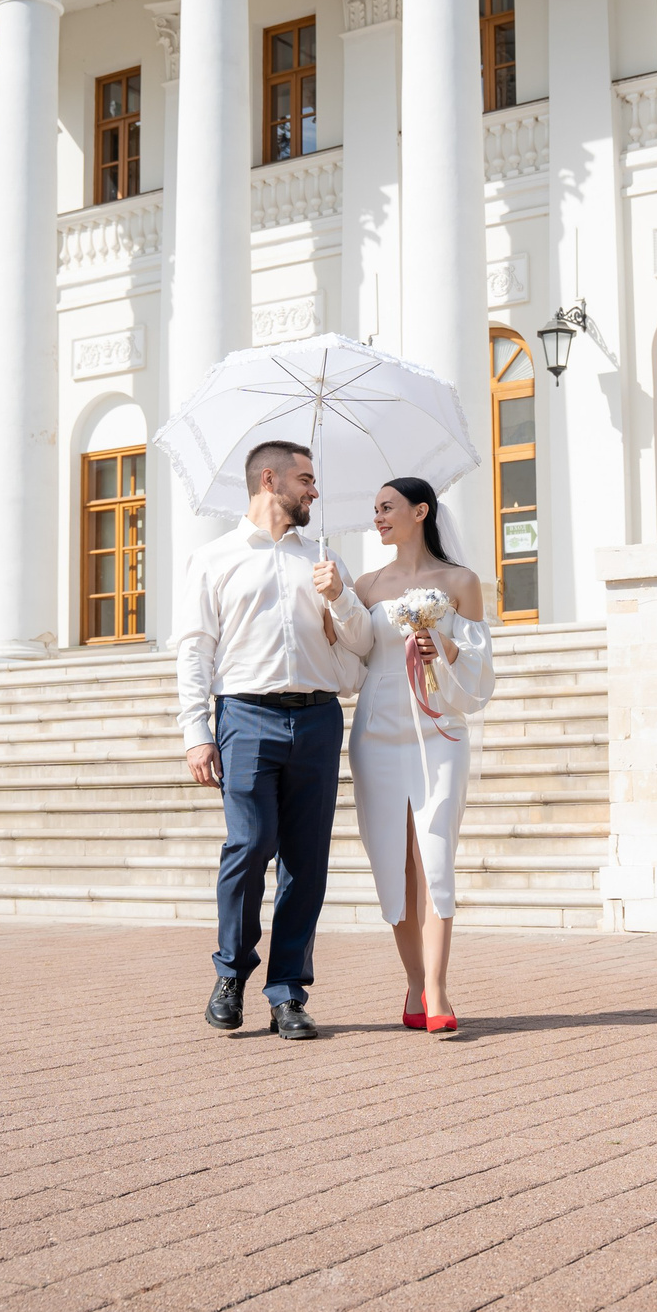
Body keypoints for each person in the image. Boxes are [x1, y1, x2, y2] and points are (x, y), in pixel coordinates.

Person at [176, 440, 372, 1040]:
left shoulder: (323, 560)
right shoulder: (214, 558)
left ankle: (287, 991)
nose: (314, 490)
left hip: (317, 718)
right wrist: (196, 731)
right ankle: (231, 971)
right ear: (270, 480)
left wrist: (339, 597)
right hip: (245, 718)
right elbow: (195, 648)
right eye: (305, 478)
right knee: (250, 844)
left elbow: (362, 646)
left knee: (306, 863)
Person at [348, 477, 493, 1035]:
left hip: (441, 730)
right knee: (395, 858)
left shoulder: (461, 581)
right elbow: (351, 655)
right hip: (378, 731)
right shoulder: (365, 585)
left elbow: (480, 668)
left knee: (434, 854)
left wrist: (447, 646)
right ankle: (413, 982)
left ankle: (437, 989)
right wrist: (333, 598)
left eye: (386, 508)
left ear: (420, 511)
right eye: (374, 509)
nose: (378, 517)